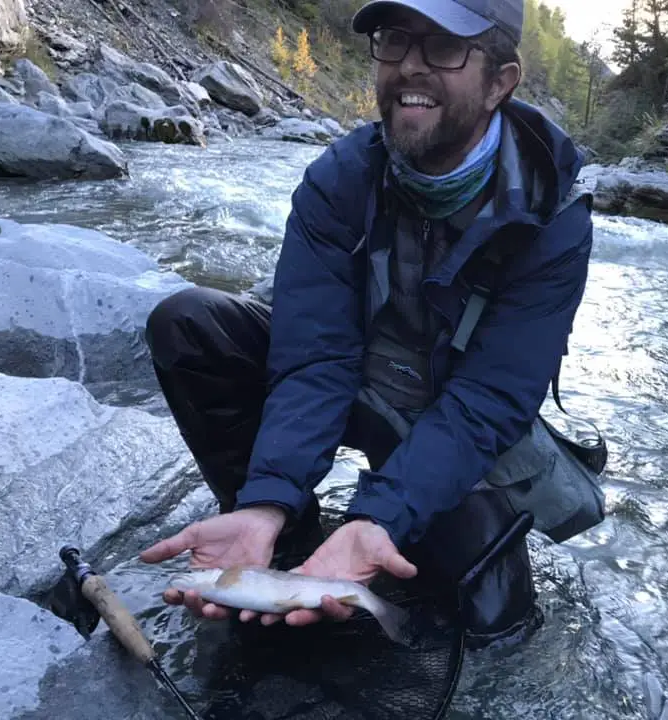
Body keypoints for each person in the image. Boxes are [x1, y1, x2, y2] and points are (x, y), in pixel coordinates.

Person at [139, 0, 606, 649]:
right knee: (189, 322)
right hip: (358, 381)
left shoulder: (552, 212)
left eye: (442, 46)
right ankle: (287, 536)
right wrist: (267, 498)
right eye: (394, 40)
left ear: (501, 80)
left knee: (501, 625)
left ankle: (368, 535)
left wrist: (379, 516)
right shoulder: (339, 181)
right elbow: (315, 358)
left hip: (452, 415)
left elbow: (492, 397)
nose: (410, 66)